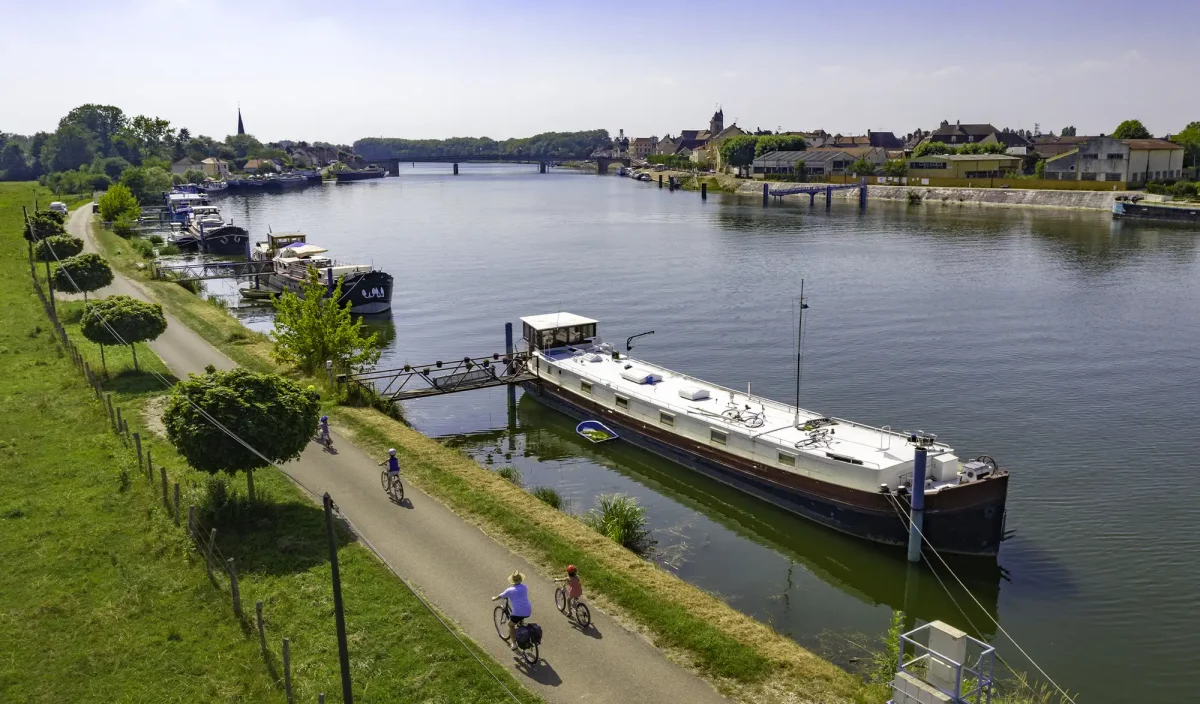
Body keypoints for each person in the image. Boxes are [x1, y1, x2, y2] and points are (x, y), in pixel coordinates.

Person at [492, 571, 532, 650]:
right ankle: (522, 625)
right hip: (528, 610)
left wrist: (494, 598)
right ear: (521, 579)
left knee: (510, 625)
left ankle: (514, 644)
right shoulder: (525, 587)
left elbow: (500, 596)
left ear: (512, 581)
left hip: (518, 613)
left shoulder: (510, 590)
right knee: (521, 614)